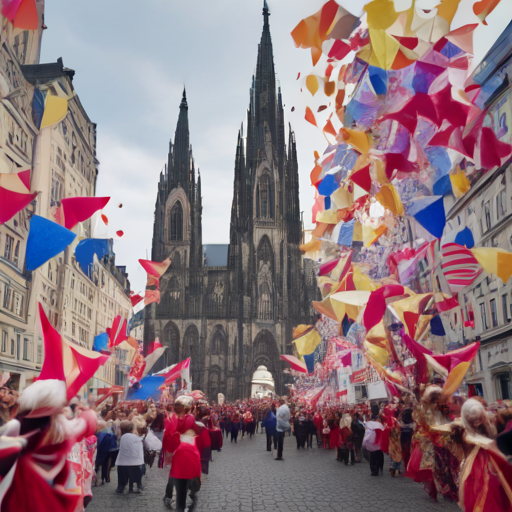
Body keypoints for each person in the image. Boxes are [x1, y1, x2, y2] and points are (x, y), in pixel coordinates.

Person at [166, 428, 202, 512]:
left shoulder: (178, 445)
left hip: (178, 474)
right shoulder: (194, 448)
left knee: (180, 495)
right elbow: (197, 464)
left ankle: (180, 508)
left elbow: (172, 460)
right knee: (187, 491)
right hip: (190, 474)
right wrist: (198, 477)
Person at [116, 420, 144, 494]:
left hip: (122, 462)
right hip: (136, 461)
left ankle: (121, 486)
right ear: (132, 429)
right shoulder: (136, 437)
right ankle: (138, 484)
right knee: (138, 471)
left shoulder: (121, 437)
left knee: (121, 473)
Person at [363, 404, 384, 476]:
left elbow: (367, 435)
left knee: (373, 457)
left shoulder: (369, 424)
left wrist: (365, 443)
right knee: (378, 456)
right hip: (378, 443)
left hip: (372, 444)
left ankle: (374, 470)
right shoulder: (380, 423)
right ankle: (379, 467)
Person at [95, 418, 117, 485]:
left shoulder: (102, 433)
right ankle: (104, 478)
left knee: (99, 465)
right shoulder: (109, 431)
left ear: (99, 426)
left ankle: (100, 479)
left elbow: (99, 444)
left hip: (102, 452)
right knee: (105, 465)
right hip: (108, 451)